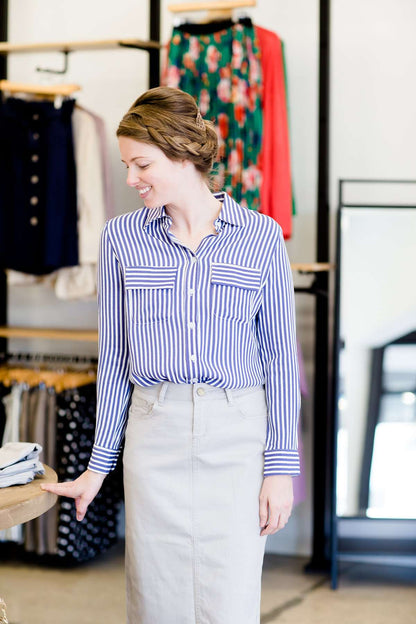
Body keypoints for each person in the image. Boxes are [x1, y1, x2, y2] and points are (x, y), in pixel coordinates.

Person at [42, 86, 300, 624]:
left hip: (237, 436)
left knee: (228, 601)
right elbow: (114, 361)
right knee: (155, 600)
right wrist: (97, 467)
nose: (131, 178)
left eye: (142, 164)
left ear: (182, 153)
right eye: (126, 164)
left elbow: (280, 363)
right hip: (154, 431)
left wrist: (280, 469)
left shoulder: (262, 238)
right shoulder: (122, 239)